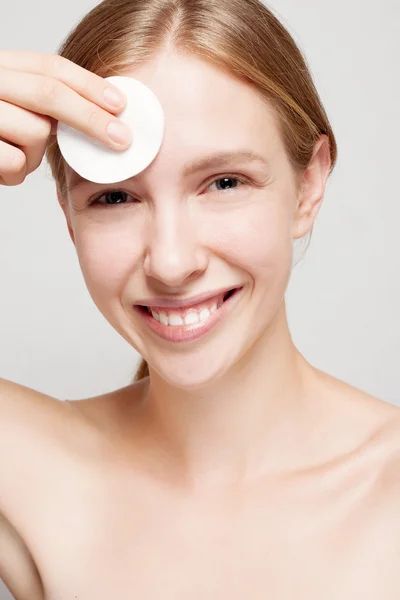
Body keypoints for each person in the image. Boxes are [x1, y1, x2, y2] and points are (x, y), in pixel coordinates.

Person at [1, 0, 399, 598]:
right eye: (115, 198)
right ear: (67, 214)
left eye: (224, 182)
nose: (170, 261)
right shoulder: (26, 464)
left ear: (309, 185)